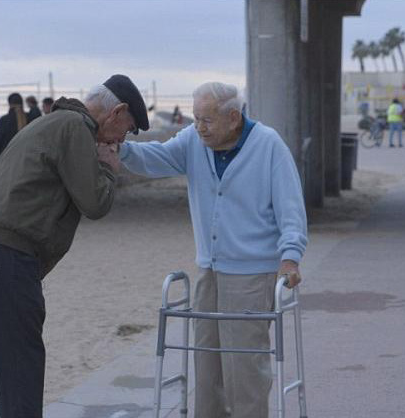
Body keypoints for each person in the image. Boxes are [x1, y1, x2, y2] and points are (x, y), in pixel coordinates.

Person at [119, 82, 307, 418]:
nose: (199, 127)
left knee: (244, 370)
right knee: (206, 365)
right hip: (210, 271)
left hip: (253, 274)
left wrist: (290, 257)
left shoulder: (268, 145)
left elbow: (291, 208)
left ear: (234, 117)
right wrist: (119, 150)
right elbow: (158, 157)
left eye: (206, 120)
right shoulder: (194, 140)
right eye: (195, 119)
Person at [0, 74, 149, 418]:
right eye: (129, 128)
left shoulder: (57, 121)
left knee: (16, 368)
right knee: (22, 371)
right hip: (8, 258)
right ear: (117, 111)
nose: (124, 138)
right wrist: (108, 169)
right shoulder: (75, 127)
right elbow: (95, 203)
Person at [0, 92, 28, 170]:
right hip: (24, 162)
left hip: (5, 163)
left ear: (9, 104)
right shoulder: (29, 118)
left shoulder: (4, 120)